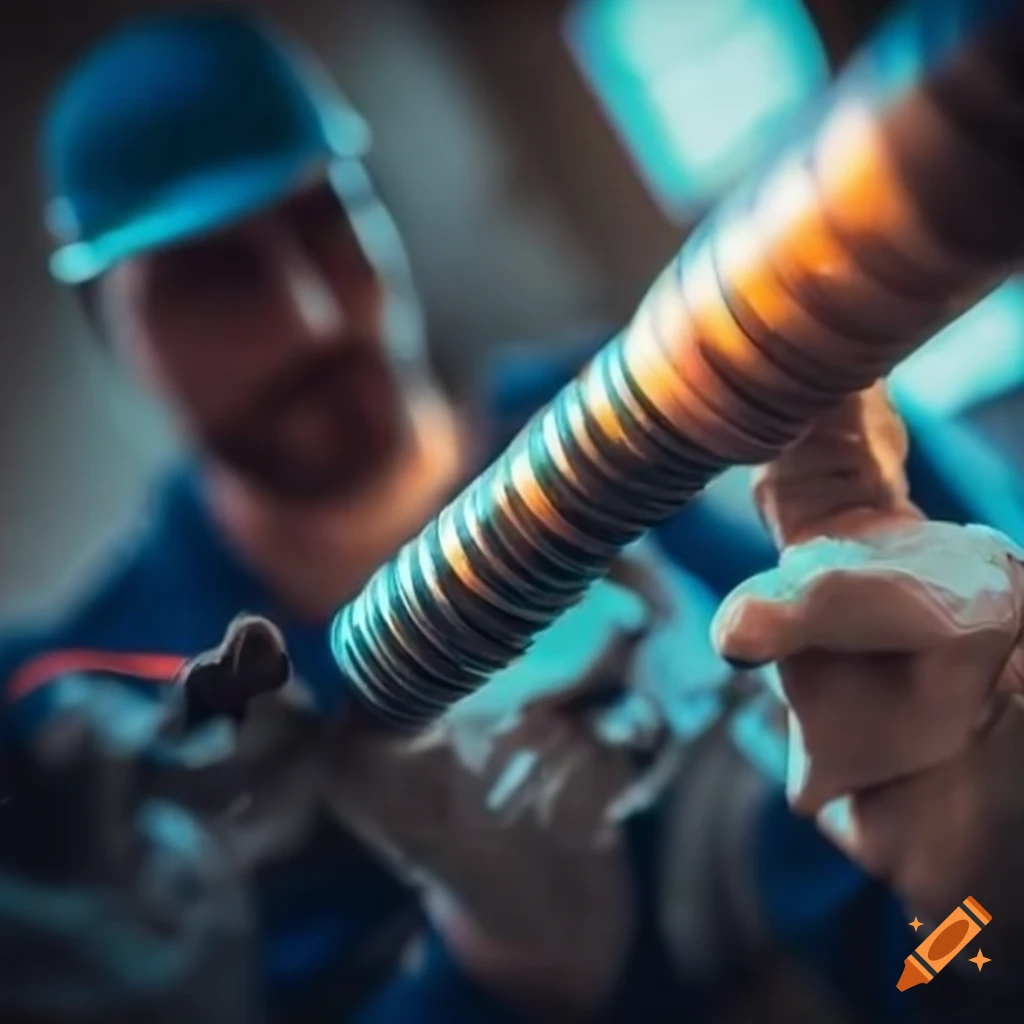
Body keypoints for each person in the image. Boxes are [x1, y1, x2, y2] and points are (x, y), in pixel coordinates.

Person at [4, 5, 1024, 1023]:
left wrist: (983, 893)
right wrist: (492, 982)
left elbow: (941, 965)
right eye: (211, 278)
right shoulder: (77, 725)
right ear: (110, 326)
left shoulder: (723, 426)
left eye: (324, 220)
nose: (311, 314)